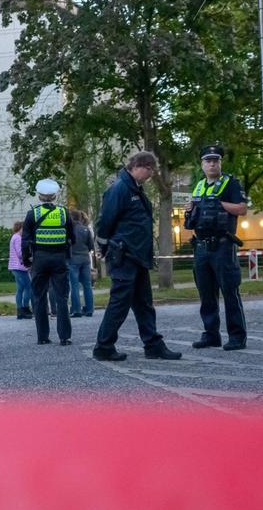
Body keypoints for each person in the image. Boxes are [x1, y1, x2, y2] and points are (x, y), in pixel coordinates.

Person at [92, 151, 178, 361]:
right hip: (125, 255)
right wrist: (103, 246)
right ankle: (103, 346)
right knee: (119, 303)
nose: (151, 175)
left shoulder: (134, 189)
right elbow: (105, 221)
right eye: (149, 170)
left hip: (136, 256)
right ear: (139, 166)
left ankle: (153, 344)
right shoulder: (120, 189)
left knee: (143, 303)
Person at [188, 144, 248, 350]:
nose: (212, 163)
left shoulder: (230, 183)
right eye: (208, 160)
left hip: (222, 245)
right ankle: (211, 334)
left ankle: (237, 336)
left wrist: (219, 204)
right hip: (201, 246)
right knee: (206, 293)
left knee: (230, 291)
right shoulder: (198, 186)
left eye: (216, 160)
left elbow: (242, 209)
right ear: (202, 164)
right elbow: (194, 212)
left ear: (220, 163)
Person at [22, 179, 75, 346]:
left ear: (39, 196)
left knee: (39, 297)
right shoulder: (64, 213)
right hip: (59, 259)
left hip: (40, 259)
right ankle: (64, 337)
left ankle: (43, 337)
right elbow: (72, 237)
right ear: (54, 196)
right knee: (61, 297)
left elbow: (25, 241)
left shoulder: (33, 214)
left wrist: (26, 260)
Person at [68, 209, 95, 318]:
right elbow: (91, 246)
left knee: (74, 286)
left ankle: (76, 310)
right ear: (80, 218)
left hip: (73, 259)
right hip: (85, 259)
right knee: (87, 285)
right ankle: (89, 309)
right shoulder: (86, 229)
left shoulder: (69, 231)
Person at [8, 221, 32, 319]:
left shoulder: (14, 237)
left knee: (20, 289)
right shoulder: (18, 238)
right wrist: (29, 258)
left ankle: (19, 310)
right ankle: (25, 308)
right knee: (28, 287)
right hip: (20, 267)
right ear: (20, 228)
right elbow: (20, 253)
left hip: (14, 266)